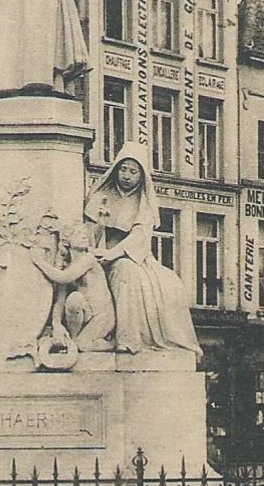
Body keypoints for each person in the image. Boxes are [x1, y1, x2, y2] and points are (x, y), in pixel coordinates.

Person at [85, 143, 202, 356]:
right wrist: (98, 240)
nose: (127, 176)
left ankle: (127, 339)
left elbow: (139, 237)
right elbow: (88, 228)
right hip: (97, 251)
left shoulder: (143, 203)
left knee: (129, 272)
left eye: (133, 171)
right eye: (123, 169)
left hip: (128, 256)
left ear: (141, 175)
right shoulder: (101, 195)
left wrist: (112, 253)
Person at [30, 223, 115, 351]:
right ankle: (73, 339)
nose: (84, 236)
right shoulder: (69, 267)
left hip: (102, 316)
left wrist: (39, 261)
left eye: (85, 234)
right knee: (73, 300)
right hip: (87, 313)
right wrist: (56, 324)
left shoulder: (88, 260)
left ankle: (112, 343)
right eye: (78, 233)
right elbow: (60, 302)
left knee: (83, 344)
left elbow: (63, 277)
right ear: (67, 241)